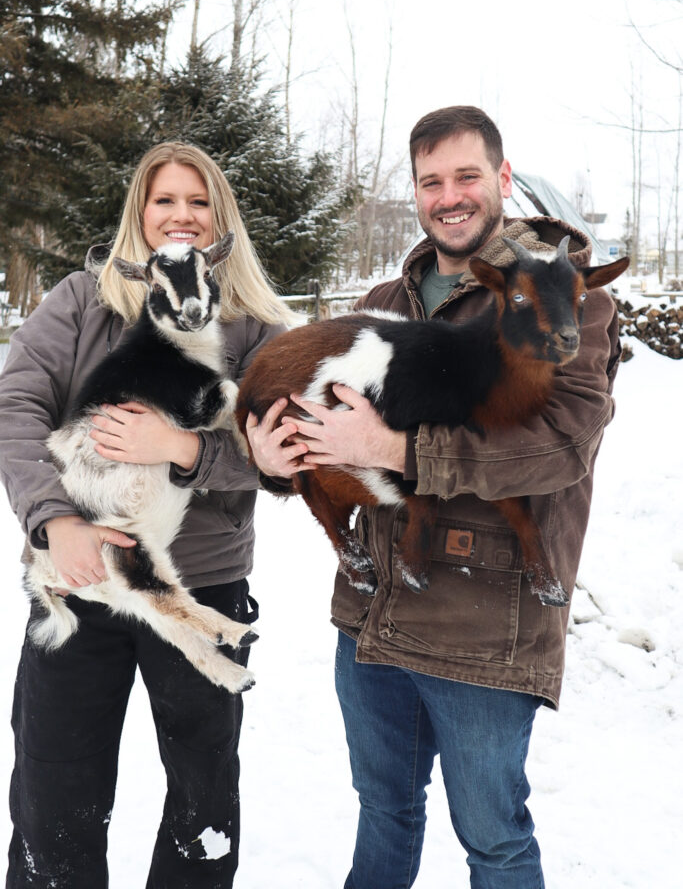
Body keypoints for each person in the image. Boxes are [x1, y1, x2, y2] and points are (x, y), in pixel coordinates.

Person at [247, 106, 623, 888]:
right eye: (430, 181)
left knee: (493, 840)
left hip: (482, 624)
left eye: (466, 176)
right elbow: (322, 437)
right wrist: (266, 455)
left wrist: (396, 451)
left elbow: (560, 443)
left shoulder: (565, 293)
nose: (448, 197)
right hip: (373, 615)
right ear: (414, 190)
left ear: (502, 178)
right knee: (383, 810)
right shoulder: (391, 294)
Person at [0, 142, 291, 889]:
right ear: (141, 214)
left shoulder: (256, 327)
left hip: (201, 583)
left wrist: (186, 451)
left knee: (202, 796)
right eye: (165, 200)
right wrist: (53, 521)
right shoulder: (79, 301)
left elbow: (289, 453)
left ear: (219, 221)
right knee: (53, 786)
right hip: (80, 576)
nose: (181, 215)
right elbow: (16, 406)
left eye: (198, 202)